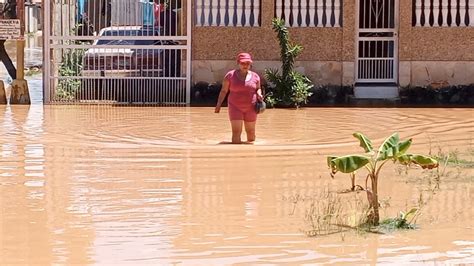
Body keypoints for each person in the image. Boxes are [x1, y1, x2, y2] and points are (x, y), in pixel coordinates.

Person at [215, 52, 263, 144]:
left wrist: (259, 94)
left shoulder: (255, 76)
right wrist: (218, 105)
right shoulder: (230, 75)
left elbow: (258, 88)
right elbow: (224, 91)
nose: (245, 65)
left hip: (251, 107)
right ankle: (236, 155)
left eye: (248, 63)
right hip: (235, 107)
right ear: (238, 63)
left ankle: (251, 156)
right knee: (236, 132)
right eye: (243, 63)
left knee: (251, 133)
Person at [0, 0, 17, 80]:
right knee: (4, 57)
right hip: (5, 31)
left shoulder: (11, 5)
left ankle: (15, 78)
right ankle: (15, 78)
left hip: (6, 30)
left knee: (4, 57)